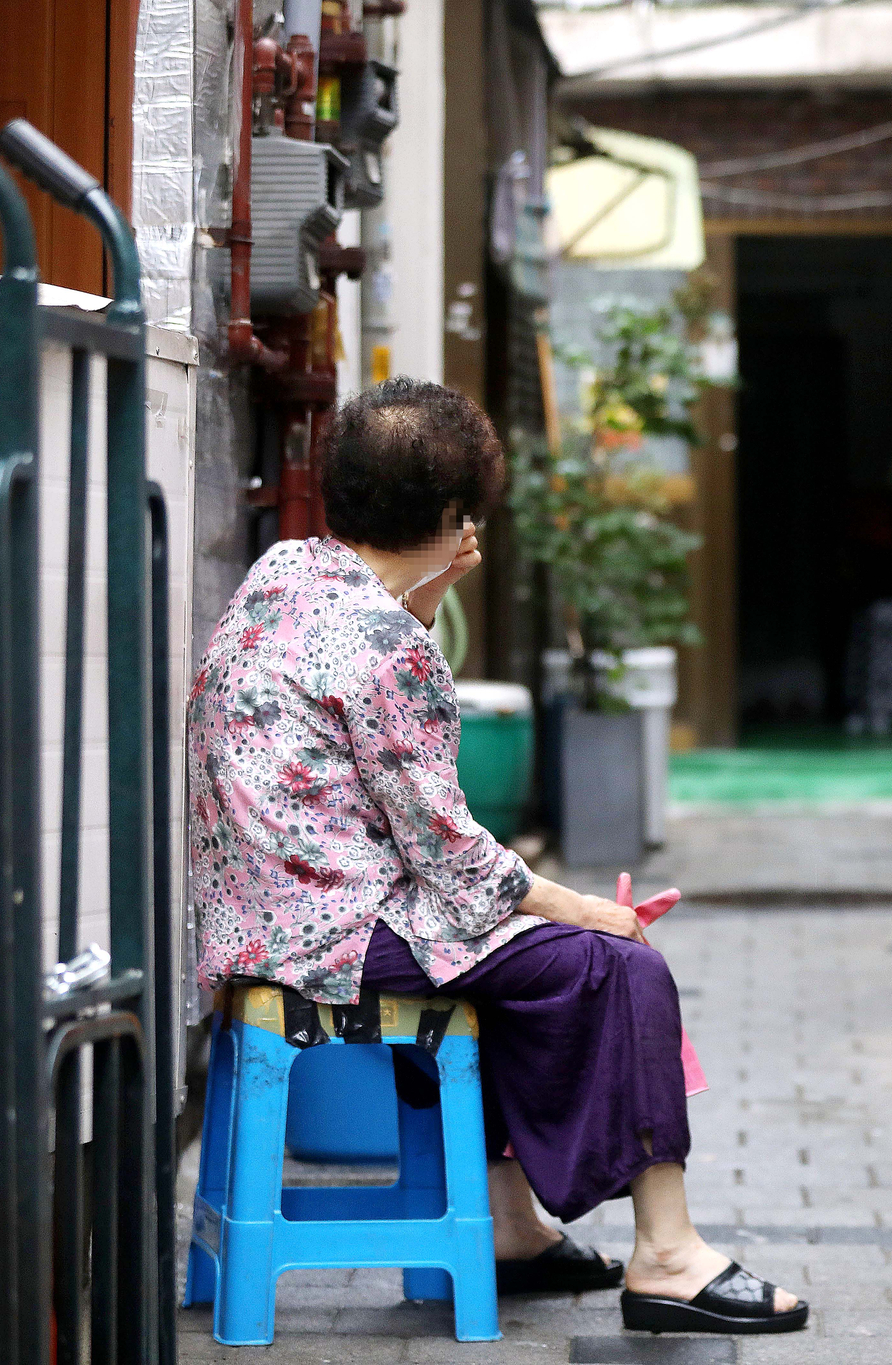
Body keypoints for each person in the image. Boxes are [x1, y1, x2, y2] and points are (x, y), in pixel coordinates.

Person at [187, 377, 807, 1336]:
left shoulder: (282, 578)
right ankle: (670, 1254)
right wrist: (589, 908)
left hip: (256, 922)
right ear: (453, 516)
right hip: (339, 936)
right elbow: (455, 863)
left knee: (511, 960)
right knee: (619, 965)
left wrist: (425, 590)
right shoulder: (390, 646)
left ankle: (512, 1228)